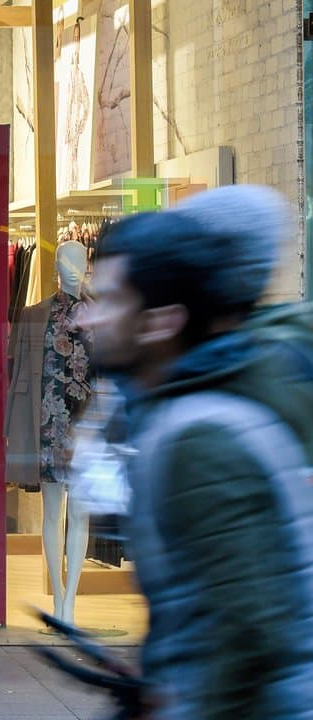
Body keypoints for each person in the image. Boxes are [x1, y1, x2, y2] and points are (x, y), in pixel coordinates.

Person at [79, 185, 313, 719]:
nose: (84, 319)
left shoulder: (198, 434)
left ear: (162, 321)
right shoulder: (175, 410)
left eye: (110, 300)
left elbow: (251, 633)